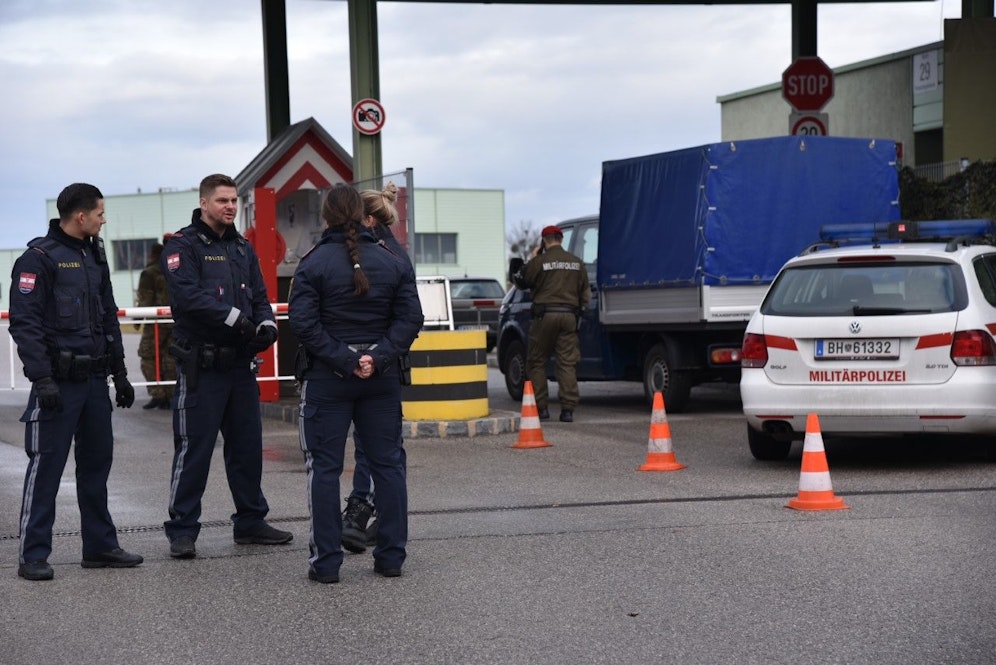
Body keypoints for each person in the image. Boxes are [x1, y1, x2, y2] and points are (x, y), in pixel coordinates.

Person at [289, 183, 422, 583]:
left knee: (324, 469)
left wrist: (346, 360)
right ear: (365, 216)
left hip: (328, 379)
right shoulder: (393, 261)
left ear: (326, 217)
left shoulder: (312, 263)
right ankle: (391, 559)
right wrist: (376, 358)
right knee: (389, 466)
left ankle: (326, 564)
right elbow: (410, 319)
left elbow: (303, 324)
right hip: (380, 380)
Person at [8, 183, 142, 581]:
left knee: (97, 465)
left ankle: (99, 547)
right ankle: (33, 554)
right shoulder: (38, 259)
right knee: (47, 467)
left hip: (95, 382)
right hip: (59, 385)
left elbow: (106, 320)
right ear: (81, 216)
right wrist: (43, 379)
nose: (104, 219)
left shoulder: (93, 256)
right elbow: (25, 325)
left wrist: (120, 374)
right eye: (100, 213)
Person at [160, 173, 291, 559]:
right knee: (194, 452)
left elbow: (261, 295)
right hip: (202, 369)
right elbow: (189, 298)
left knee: (247, 449)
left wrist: (265, 324)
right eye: (222, 201)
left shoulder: (241, 248)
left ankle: (250, 523)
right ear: (204, 203)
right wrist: (238, 319)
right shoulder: (182, 247)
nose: (230, 207)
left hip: (239, 368)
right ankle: (182, 530)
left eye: (234, 200)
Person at [339, 182, 411, 554]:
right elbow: (409, 316)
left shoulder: (369, 253)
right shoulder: (394, 253)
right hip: (386, 363)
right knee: (384, 450)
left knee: (373, 449)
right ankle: (383, 523)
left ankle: (360, 512)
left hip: (359, 365)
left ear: (365, 218)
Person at [513, 225, 591, 423]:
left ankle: (542, 408)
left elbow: (521, 280)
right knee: (566, 362)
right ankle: (568, 410)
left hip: (544, 316)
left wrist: (532, 258)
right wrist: (579, 313)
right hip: (569, 317)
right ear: (561, 239)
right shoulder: (576, 263)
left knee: (536, 360)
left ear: (544, 241)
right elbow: (585, 294)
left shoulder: (540, 262)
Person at [136, 238, 176, 409]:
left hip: (156, 322)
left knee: (148, 357)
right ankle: (171, 394)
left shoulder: (150, 272)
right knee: (171, 357)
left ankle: (158, 394)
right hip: (175, 321)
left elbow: (145, 298)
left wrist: (137, 319)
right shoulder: (177, 268)